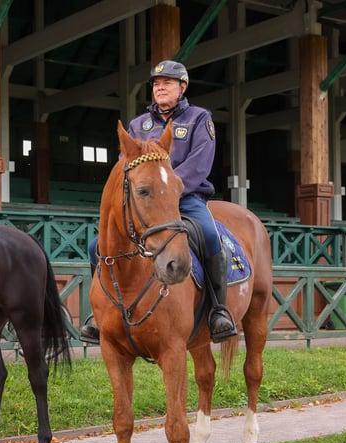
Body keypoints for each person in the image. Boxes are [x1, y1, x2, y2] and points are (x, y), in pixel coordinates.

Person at [79, 60, 236, 345]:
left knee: (211, 237)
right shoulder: (138, 125)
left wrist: (168, 190)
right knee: (95, 246)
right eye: (156, 84)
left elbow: (201, 163)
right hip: (145, 203)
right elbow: (124, 166)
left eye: (168, 83)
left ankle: (218, 310)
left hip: (186, 198)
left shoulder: (200, 118)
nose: (160, 87)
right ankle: (99, 314)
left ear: (182, 87)